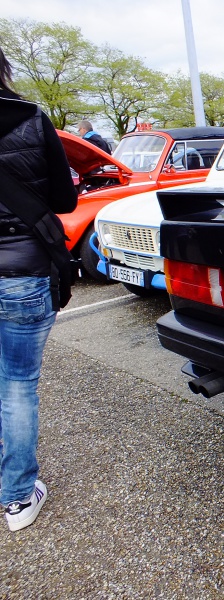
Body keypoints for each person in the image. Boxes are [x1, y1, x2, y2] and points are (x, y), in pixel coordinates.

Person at [0, 46, 77, 531]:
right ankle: (18, 498)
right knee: (18, 384)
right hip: (23, 270)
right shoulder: (29, 118)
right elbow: (65, 199)